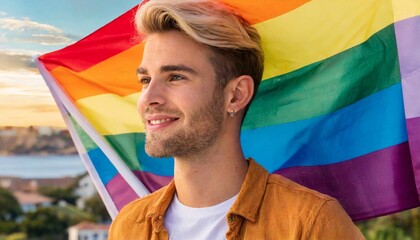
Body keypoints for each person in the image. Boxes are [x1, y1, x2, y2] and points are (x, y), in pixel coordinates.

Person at [109, 0, 365, 239]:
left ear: (236, 95)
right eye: (145, 80)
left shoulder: (309, 223)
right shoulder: (130, 226)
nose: (148, 98)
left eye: (176, 77)